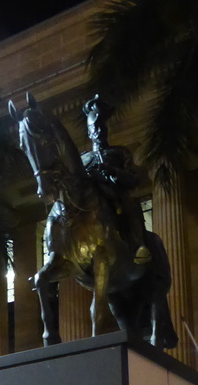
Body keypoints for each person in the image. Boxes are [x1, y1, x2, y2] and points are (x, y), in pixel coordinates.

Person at [81, 95, 150, 264]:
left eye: (102, 126)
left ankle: (138, 246)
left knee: (132, 205)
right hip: (90, 208)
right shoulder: (83, 159)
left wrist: (113, 172)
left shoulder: (119, 153)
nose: (99, 131)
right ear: (89, 131)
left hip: (116, 200)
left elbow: (134, 179)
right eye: (95, 127)